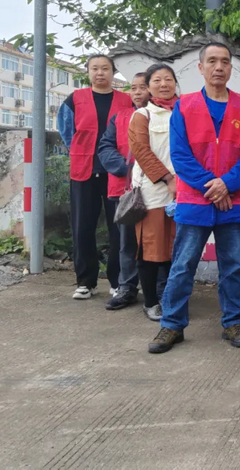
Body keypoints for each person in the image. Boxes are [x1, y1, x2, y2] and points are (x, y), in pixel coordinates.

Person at [148, 43, 240, 354]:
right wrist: (213, 188)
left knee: (234, 266)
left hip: (235, 200)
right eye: (212, 61)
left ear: (230, 68)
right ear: (200, 67)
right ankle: (171, 325)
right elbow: (180, 156)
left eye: (225, 61)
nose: (219, 67)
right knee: (184, 264)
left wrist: (226, 184)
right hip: (195, 200)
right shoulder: (184, 107)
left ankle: (233, 322)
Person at [57, 54, 133, 300]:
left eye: (105, 69)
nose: (100, 73)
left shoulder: (126, 101)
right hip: (84, 170)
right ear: (88, 72)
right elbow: (66, 130)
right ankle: (86, 281)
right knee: (83, 227)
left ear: (113, 72)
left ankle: (117, 280)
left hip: (117, 172)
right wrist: (79, 151)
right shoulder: (75, 99)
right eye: (95, 69)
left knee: (118, 227)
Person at [130, 64, 180, 321]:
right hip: (154, 193)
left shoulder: (186, 111)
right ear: (148, 87)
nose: (163, 84)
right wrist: (169, 179)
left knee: (177, 249)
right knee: (151, 250)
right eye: (157, 80)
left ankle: (173, 300)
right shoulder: (142, 115)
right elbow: (142, 152)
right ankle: (151, 301)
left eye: (168, 79)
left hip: (185, 192)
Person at [98, 72, 150, 310]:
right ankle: (127, 286)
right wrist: (127, 168)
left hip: (156, 188)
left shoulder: (165, 115)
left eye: (143, 87)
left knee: (156, 241)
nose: (137, 92)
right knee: (126, 241)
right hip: (125, 189)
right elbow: (105, 147)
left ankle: (159, 289)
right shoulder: (119, 118)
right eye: (134, 88)